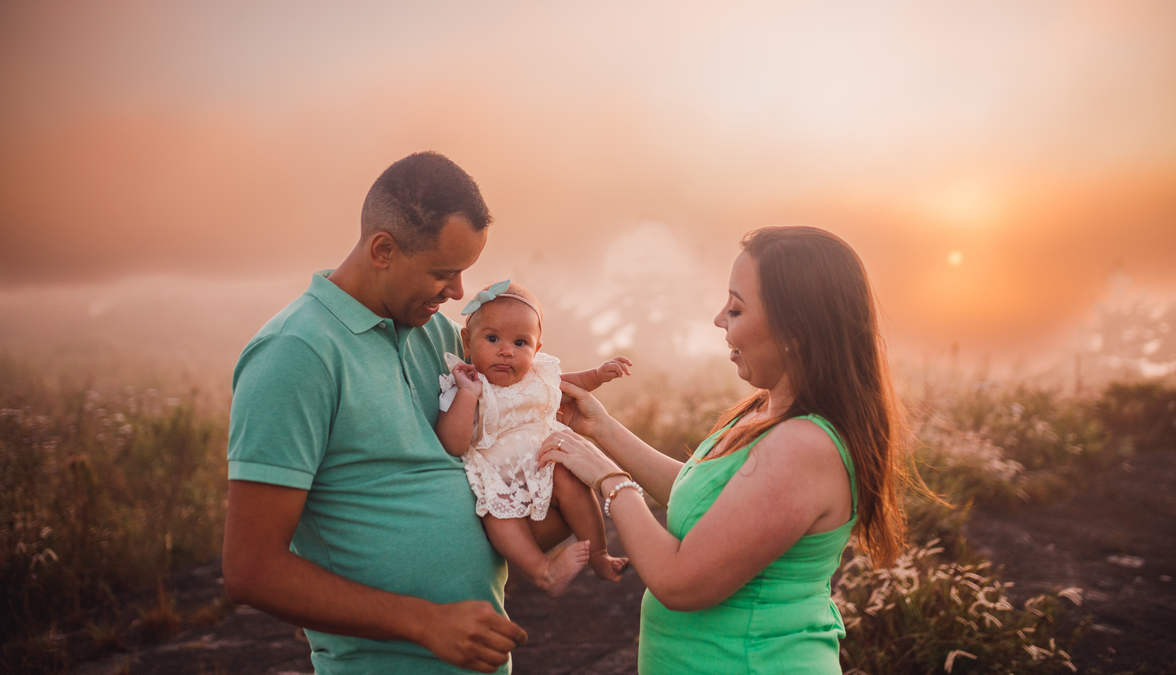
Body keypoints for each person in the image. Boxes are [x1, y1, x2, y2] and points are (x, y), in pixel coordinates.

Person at [540, 226, 912, 674]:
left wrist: (609, 479)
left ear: (796, 328)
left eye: (736, 307)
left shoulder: (806, 446)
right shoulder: (765, 409)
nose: (719, 320)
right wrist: (600, 428)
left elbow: (679, 583)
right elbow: (714, 504)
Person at [223, 152, 533, 675]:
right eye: (443, 272)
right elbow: (252, 569)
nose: (458, 292)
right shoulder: (294, 353)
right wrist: (425, 622)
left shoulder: (437, 333)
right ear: (383, 250)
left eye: (463, 273)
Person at [435, 280, 632, 596]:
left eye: (520, 343)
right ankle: (543, 571)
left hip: (545, 461)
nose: (506, 350)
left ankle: (598, 555)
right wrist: (468, 395)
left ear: (537, 349)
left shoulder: (539, 374)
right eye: (493, 338)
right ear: (468, 343)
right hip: (498, 476)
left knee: (572, 480)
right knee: (500, 517)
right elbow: (452, 442)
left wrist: (598, 374)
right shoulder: (466, 385)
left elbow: (567, 383)